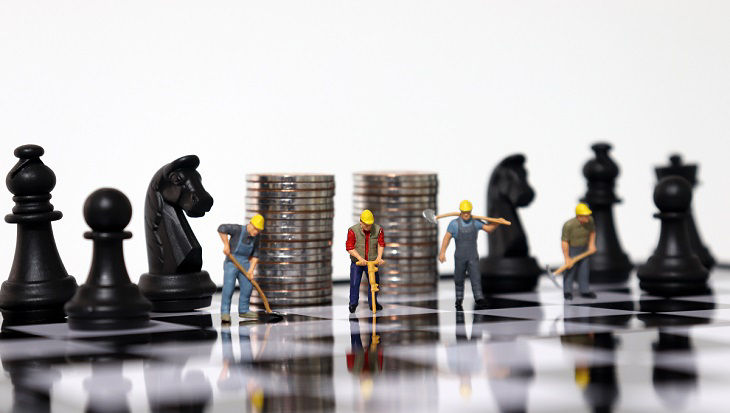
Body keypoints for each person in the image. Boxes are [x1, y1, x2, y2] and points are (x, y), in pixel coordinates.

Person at [439, 200, 503, 310]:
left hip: (473, 257)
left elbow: (488, 229)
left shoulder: (476, 222)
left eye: (468, 212)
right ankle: (459, 298)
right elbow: (446, 239)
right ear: (461, 211)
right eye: (464, 212)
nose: (466, 214)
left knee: (476, 278)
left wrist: (497, 222)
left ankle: (479, 298)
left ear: (470, 211)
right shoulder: (454, 224)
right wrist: (442, 252)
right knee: (458, 278)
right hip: (459, 257)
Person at [218, 214, 264, 323]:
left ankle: (244, 310)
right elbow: (221, 228)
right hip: (232, 262)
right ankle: (225, 312)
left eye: (259, 230)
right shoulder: (237, 229)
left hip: (244, 262)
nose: (256, 232)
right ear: (251, 224)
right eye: (256, 229)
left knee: (248, 285)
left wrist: (251, 270)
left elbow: (256, 255)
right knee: (228, 288)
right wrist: (226, 245)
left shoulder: (256, 237)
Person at [345, 210, 385, 313]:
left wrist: (379, 257)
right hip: (357, 263)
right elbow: (349, 247)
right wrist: (359, 258)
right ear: (361, 222)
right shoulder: (352, 231)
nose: (368, 227)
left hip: (371, 262)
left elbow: (381, 244)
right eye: (366, 225)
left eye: (370, 225)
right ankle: (353, 304)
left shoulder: (378, 230)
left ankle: (373, 303)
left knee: (374, 282)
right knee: (354, 282)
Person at [561, 203, 597, 300]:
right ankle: (567, 291)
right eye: (585, 216)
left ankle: (584, 290)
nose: (588, 218)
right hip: (573, 249)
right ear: (579, 216)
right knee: (570, 269)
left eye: (588, 215)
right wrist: (567, 257)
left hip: (585, 249)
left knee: (584, 270)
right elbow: (564, 242)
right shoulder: (569, 225)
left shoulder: (590, 221)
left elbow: (592, 232)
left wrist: (591, 244)